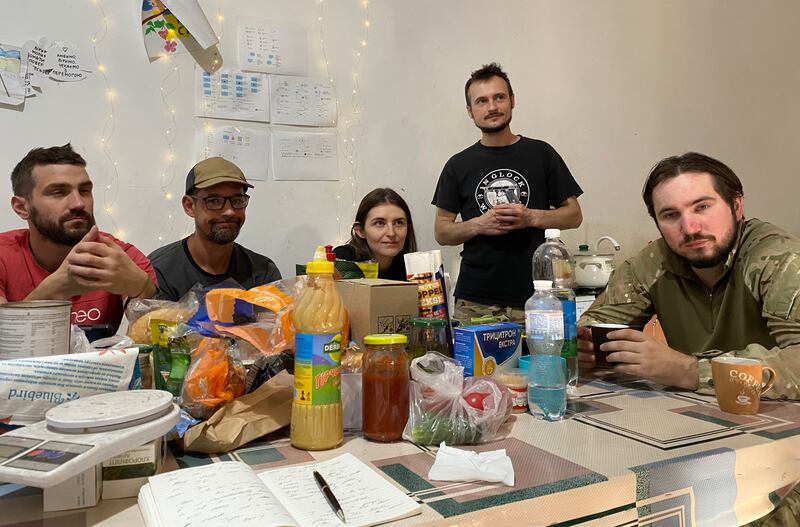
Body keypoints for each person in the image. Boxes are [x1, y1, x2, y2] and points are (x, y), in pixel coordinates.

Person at [577, 152, 800, 526]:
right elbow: (594, 328)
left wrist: (689, 370)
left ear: (737, 204)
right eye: (671, 215)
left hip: (785, 449)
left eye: (702, 206)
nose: (690, 227)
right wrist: (584, 349)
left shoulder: (777, 258)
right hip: (705, 436)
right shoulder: (654, 261)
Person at [432, 62, 583, 324]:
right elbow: (442, 232)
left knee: (543, 365)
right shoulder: (458, 165)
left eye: (499, 97)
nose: (492, 107)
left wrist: (531, 217)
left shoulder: (542, 154)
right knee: (475, 367)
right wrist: (480, 224)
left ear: (512, 101)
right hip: (475, 301)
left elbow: (573, 215)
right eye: (481, 101)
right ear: (470, 111)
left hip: (540, 296)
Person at [0, 144, 157, 331]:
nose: (78, 203)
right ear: (21, 207)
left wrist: (141, 286)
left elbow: (158, 337)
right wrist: (55, 289)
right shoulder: (4, 255)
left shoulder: (118, 256)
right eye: (58, 192)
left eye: (84, 191)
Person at [148, 157, 281, 301]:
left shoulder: (262, 272)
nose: (229, 211)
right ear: (189, 206)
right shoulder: (160, 271)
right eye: (214, 201)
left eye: (237, 200)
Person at [333, 187, 417, 280]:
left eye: (399, 223)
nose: (391, 233)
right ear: (360, 231)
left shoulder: (411, 266)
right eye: (380, 223)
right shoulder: (343, 260)